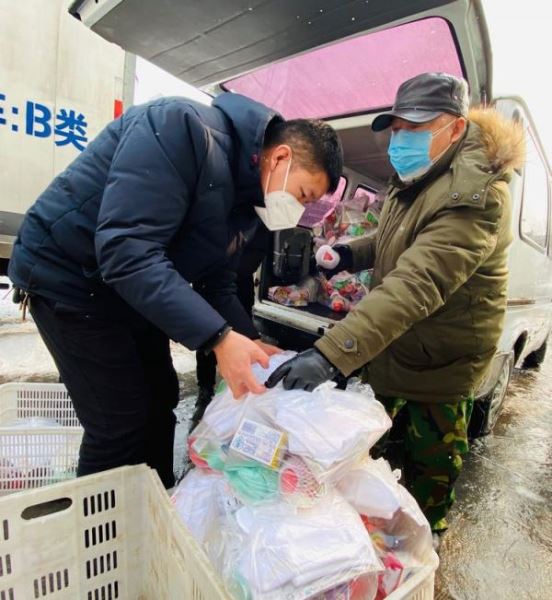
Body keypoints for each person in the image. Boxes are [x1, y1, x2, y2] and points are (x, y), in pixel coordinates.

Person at [9, 92, 343, 487]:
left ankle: (158, 506)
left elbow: (214, 280)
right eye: (303, 194)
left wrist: (249, 340)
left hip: (125, 288)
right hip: (68, 277)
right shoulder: (180, 129)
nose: (300, 210)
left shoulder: (247, 199)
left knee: (160, 396)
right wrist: (218, 338)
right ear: (281, 157)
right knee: (119, 419)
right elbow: (125, 249)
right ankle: (100, 537)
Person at [267, 72, 525, 532]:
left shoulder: (477, 195)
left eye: (416, 129)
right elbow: (393, 238)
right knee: (371, 469)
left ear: (456, 128)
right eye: (398, 128)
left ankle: (425, 555)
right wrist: (349, 251)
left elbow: (417, 281)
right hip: (395, 350)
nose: (401, 139)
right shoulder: (417, 179)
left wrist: (331, 354)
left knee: (426, 488)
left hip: (439, 367)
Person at [191, 224, 268, 430]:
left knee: (244, 341)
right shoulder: (233, 208)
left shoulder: (268, 222)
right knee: (210, 339)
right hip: (214, 282)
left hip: (240, 285)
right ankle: (205, 392)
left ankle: (239, 393)